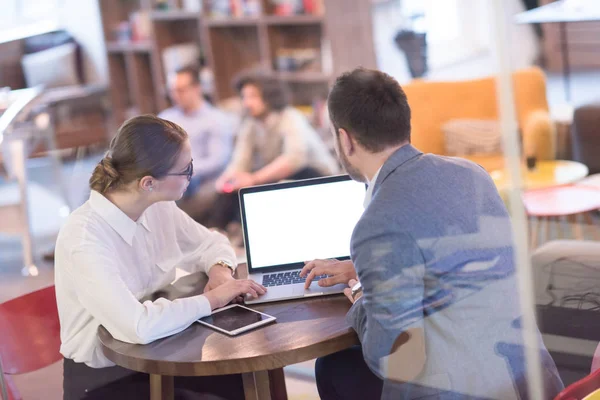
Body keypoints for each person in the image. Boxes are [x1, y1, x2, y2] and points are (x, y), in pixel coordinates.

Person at [300, 68, 564, 399]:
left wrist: (359, 293)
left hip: (457, 390)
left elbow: (396, 361)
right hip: (527, 378)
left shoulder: (375, 224)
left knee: (333, 365)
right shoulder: (472, 175)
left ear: (345, 139)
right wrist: (366, 270)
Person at [55, 115, 266, 400]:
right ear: (148, 182)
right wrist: (215, 299)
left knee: (245, 377)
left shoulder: (156, 206)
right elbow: (138, 327)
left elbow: (211, 242)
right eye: (186, 169)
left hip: (161, 352)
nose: (193, 174)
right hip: (106, 379)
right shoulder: (85, 239)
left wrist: (221, 273)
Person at [210, 75, 338, 230]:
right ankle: (221, 232)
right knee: (231, 191)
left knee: (265, 187)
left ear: (270, 96)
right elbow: (241, 160)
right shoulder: (251, 124)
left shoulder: (290, 117)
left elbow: (294, 159)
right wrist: (227, 179)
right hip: (277, 176)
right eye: (244, 97)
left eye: (253, 97)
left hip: (315, 176)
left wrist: (254, 179)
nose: (247, 103)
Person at [158, 65, 235, 222]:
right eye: (172, 90)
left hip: (201, 181)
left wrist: (184, 170)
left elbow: (218, 161)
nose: (175, 96)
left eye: (181, 90)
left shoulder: (216, 120)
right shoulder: (165, 118)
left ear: (197, 88)